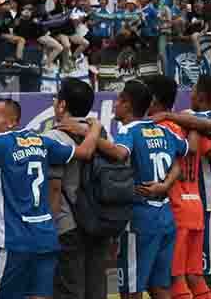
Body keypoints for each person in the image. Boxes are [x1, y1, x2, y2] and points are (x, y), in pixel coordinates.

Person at [0, 99, 102, 299]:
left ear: (12, 122)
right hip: (46, 239)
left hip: (15, 242)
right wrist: (95, 127)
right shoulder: (41, 140)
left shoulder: (0, 142)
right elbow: (86, 151)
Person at [61, 80, 190, 299]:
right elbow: (183, 155)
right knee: (160, 287)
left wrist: (88, 131)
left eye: (118, 100)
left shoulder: (129, 129)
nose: (114, 105)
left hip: (140, 219)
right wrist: (166, 184)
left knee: (131, 289)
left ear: (127, 104)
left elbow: (120, 153)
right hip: (166, 217)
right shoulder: (163, 130)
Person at [44, 78, 111, 299]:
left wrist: (49, 228)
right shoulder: (101, 134)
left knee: (68, 290)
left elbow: (54, 189)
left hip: (67, 224)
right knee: (96, 288)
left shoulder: (53, 136)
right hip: (100, 220)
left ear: (62, 105)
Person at [146, 75, 211, 299]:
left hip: (176, 210)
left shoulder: (158, 128)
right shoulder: (191, 126)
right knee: (196, 276)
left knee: (175, 278)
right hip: (196, 207)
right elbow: (196, 148)